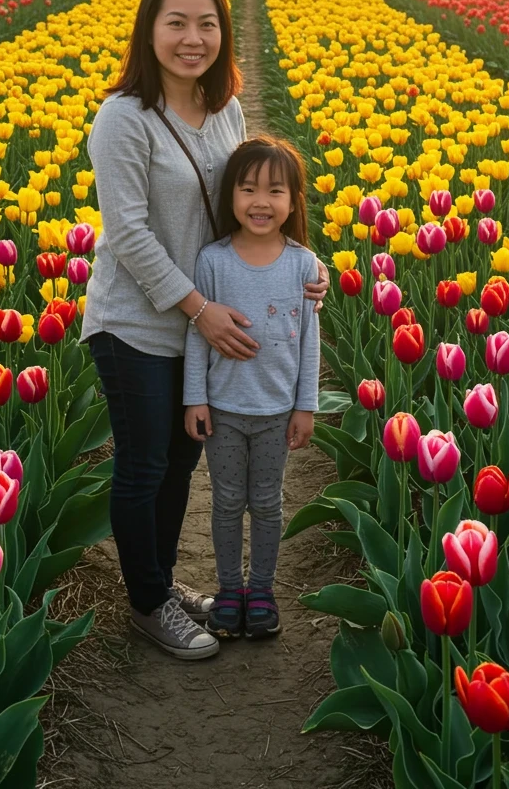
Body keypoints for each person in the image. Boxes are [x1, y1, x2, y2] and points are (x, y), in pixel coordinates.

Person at [81, 0, 329, 662]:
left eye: (207, 24)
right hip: (138, 320)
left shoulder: (224, 109)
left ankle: (160, 584)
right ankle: (148, 603)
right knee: (145, 462)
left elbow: (249, 201)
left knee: (183, 459)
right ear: (149, 31)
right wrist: (198, 308)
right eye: (177, 23)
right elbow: (127, 233)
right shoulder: (123, 119)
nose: (193, 39)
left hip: (208, 323)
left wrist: (304, 269)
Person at [183, 135, 319, 640]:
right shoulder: (213, 261)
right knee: (225, 501)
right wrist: (194, 396)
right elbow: (197, 337)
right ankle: (228, 589)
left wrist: (305, 406)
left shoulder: (303, 265)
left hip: (275, 412)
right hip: (222, 408)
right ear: (231, 197)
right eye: (247, 190)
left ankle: (261, 589)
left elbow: (309, 342)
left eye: (275, 191)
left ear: (293, 200)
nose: (261, 202)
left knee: (266, 501)